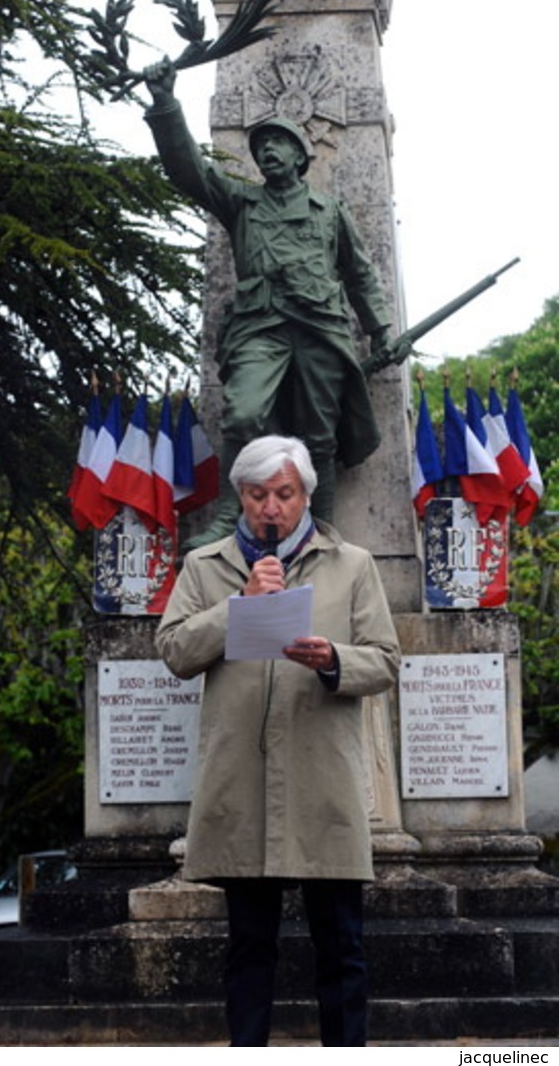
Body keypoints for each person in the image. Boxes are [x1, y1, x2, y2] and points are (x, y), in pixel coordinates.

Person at [155, 435, 400, 1046]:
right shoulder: (205, 566)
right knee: (248, 948)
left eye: (284, 494)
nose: (271, 507)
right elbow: (175, 652)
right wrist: (238, 606)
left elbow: (387, 662)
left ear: (305, 496)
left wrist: (334, 659)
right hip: (243, 783)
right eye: (258, 494)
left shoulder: (354, 565)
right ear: (241, 495)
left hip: (323, 784)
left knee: (341, 948)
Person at [143, 58, 392, 541]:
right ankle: (227, 515)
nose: (268, 151)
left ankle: (321, 531)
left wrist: (379, 329)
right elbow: (189, 171)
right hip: (261, 327)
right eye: (262, 145)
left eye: (278, 143)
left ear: (301, 156)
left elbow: (359, 271)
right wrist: (166, 103)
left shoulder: (328, 210)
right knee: (243, 414)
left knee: (320, 433)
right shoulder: (241, 202)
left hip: (320, 327)